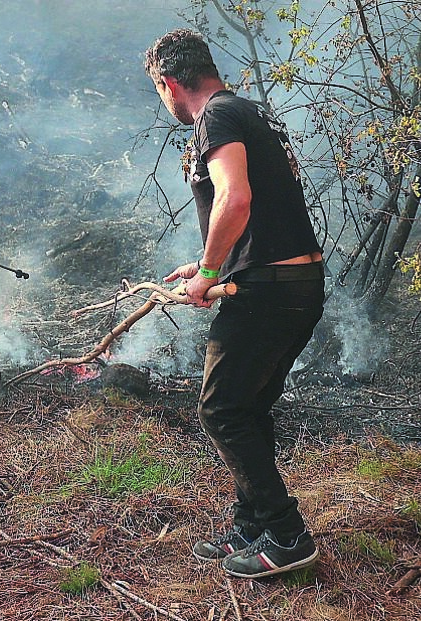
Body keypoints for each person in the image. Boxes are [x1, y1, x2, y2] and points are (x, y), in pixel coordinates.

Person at [144, 30, 325, 578]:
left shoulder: (215, 118)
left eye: (158, 89)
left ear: (171, 83)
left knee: (221, 409)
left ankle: (288, 534)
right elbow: (254, 209)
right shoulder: (247, 110)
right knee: (247, 409)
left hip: (267, 290)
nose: (163, 99)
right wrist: (204, 263)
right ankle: (253, 524)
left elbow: (236, 198)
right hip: (293, 283)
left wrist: (208, 273)